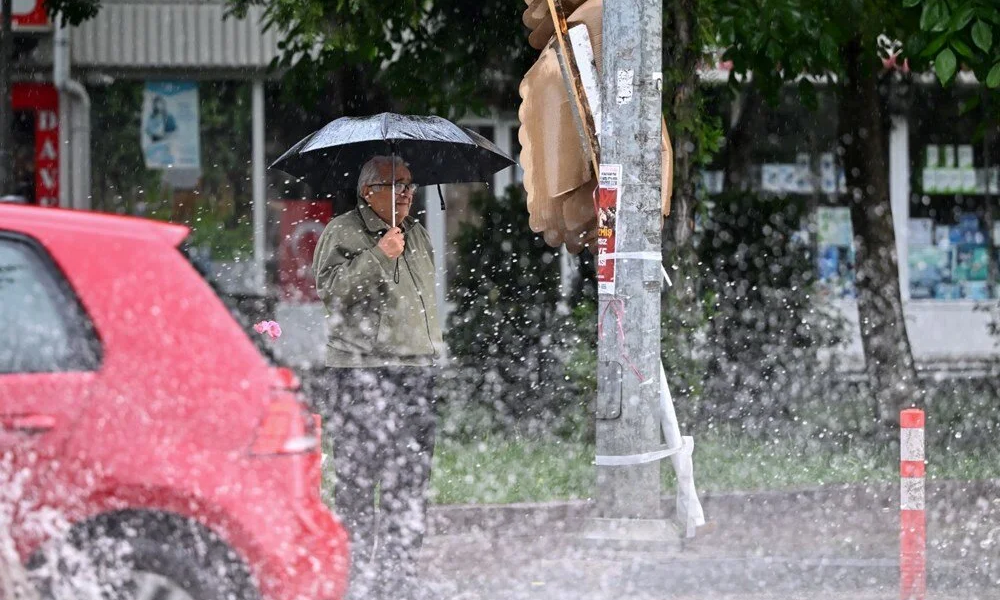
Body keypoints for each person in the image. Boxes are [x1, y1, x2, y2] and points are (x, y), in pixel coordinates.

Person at [311, 155, 443, 600]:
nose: (408, 192)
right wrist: (377, 256)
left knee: (409, 482)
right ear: (369, 191)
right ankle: (352, 576)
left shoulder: (417, 233)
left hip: (416, 374)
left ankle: (398, 577)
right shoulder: (344, 232)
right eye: (396, 184)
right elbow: (330, 292)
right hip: (362, 373)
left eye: (410, 183)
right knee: (358, 481)